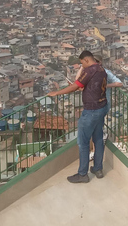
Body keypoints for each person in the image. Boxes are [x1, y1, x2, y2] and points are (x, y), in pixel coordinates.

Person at [47, 50, 108, 183]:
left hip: (91, 111)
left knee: (83, 142)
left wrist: (56, 93)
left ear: (86, 60)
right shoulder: (101, 69)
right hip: (102, 107)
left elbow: (75, 86)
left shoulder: (90, 70)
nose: (82, 67)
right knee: (98, 138)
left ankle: (82, 174)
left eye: (82, 64)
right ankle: (98, 169)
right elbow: (93, 86)